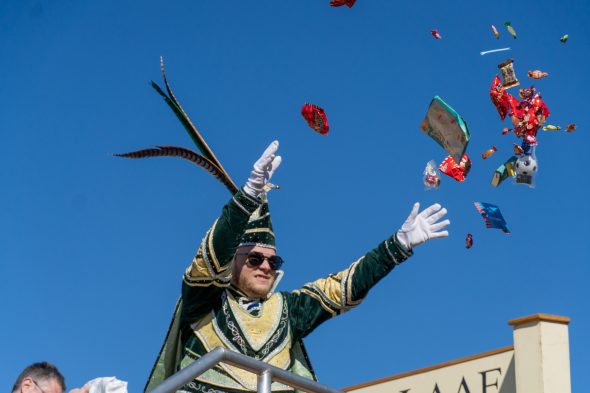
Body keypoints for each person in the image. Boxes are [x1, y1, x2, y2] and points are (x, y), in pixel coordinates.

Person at [145, 141, 450, 393]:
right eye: (254, 259)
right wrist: (248, 196)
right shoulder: (205, 301)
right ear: (232, 262)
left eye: (273, 261)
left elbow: (340, 289)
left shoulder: (288, 309)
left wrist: (397, 246)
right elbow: (207, 265)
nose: (266, 266)